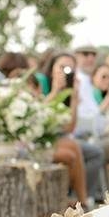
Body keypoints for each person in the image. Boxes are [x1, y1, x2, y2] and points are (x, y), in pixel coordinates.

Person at [39, 52, 104, 205]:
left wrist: (74, 98)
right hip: (40, 138)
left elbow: (69, 127)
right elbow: (37, 115)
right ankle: (81, 202)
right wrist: (55, 91)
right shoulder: (42, 82)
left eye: (70, 69)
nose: (65, 72)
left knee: (94, 152)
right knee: (72, 149)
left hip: (61, 137)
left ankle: (82, 198)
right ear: (52, 68)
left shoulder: (69, 90)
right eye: (61, 67)